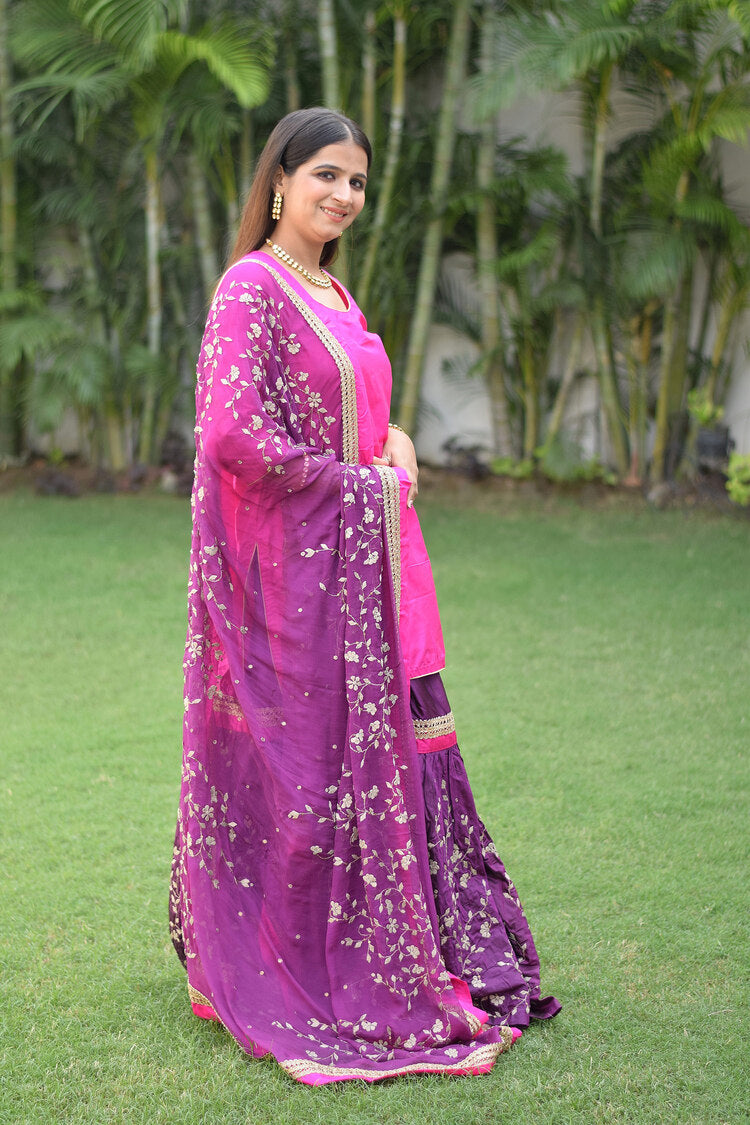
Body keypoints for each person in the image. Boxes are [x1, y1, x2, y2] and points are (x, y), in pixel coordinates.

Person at [169, 107, 559, 1086]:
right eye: (326, 177)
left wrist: (391, 447)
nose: (342, 196)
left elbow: (359, 412)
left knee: (393, 749)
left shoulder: (332, 289)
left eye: (357, 183)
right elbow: (231, 438)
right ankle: (290, 956)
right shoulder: (249, 290)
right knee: (310, 770)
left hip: (377, 563)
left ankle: (398, 944)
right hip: (300, 578)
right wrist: (361, 486)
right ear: (280, 182)